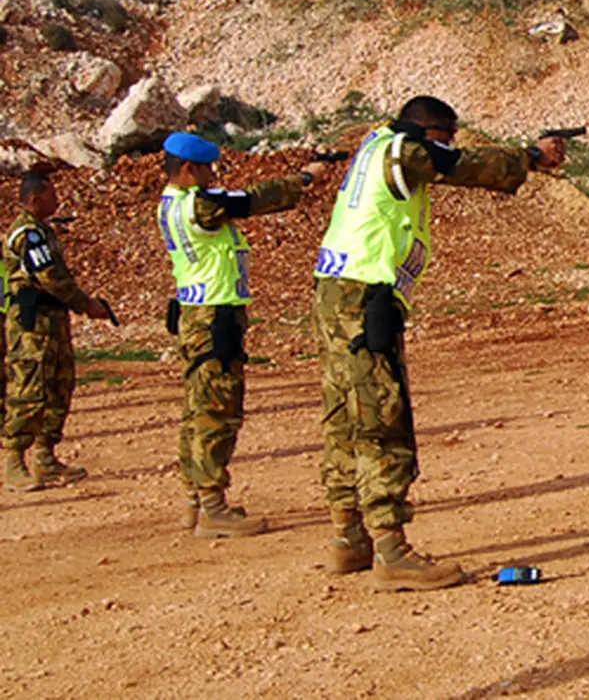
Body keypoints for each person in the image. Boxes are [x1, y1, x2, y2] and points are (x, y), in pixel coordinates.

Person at [312, 95, 565, 591]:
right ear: (428, 132)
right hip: (366, 297)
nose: (449, 145)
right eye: (446, 136)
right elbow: (458, 166)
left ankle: (349, 537)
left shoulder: (376, 146)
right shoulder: (403, 149)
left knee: (346, 416)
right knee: (381, 418)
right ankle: (390, 550)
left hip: (339, 292)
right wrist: (531, 158)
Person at [157, 133, 325, 537]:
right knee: (217, 412)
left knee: (197, 411)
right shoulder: (201, 204)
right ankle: (213, 506)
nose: (213, 174)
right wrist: (302, 179)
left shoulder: (172, 203)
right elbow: (252, 200)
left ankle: (194, 500)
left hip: (198, 313)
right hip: (215, 316)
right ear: (188, 170)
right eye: (207, 168)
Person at [3, 172, 112, 492]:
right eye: (51, 194)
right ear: (34, 198)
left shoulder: (44, 231)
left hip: (53, 321)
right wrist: (85, 304)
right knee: (30, 388)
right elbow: (50, 276)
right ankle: (13, 460)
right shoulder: (28, 235)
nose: (57, 199)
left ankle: (45, 456)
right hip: (31, 324)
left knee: (59, 385)